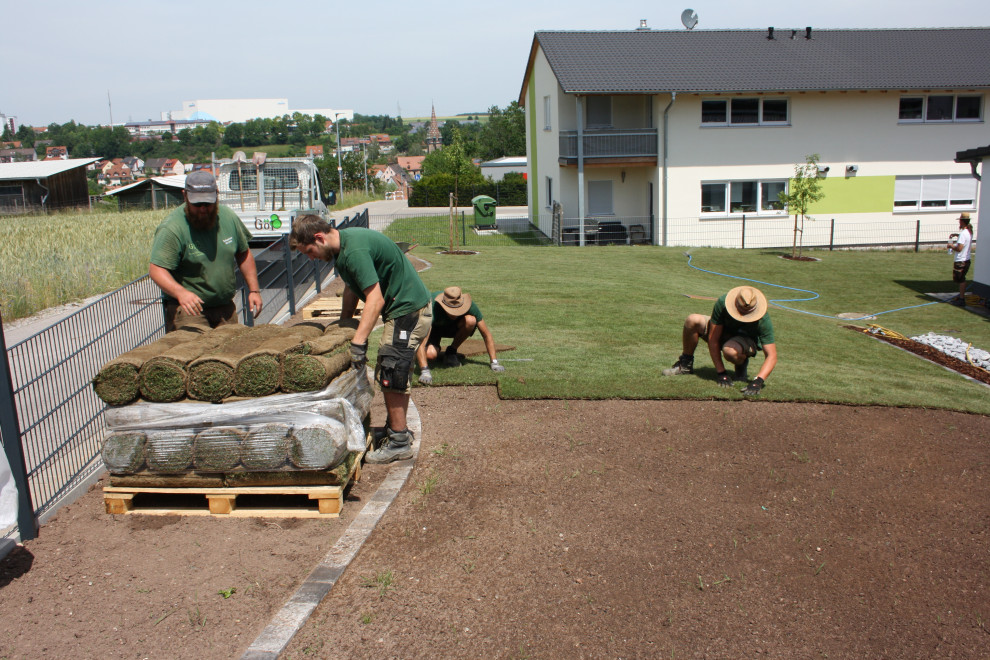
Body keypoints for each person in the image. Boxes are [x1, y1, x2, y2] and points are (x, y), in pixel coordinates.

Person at [289, 214, 432, 464]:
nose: (310, 258)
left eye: (308, 251)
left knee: (392, 370)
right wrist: (344, 323)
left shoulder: (353, 251)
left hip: (408, 310)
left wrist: (358, 342)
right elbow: (353, 287)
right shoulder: (343, 248)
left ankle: (399, 442)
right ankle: (396, 430)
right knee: (392, 368)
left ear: (319, 238)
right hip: (403, 309)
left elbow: (375, 299)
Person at [149, 170, 262, 332]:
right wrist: (181, 293)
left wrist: (254, 290)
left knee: (230, 351)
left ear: (217, 195)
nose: (203, 209)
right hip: (190, 311)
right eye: (197, 204)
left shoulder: (228, 217)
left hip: (225, 309)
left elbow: (243, 253)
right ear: (185, 196)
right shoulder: (172, 228)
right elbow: (157, 269)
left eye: (208, 203)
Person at [662, 285, 777, 397]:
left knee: (729, 350)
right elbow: (713, 339)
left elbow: (771, 355)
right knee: (692, 320)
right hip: (724, 332)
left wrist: (759, 381)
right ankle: (685, 364)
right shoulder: (723, 303)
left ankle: (741, 364)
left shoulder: (763, 319)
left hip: (744, 340)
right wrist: (721, 373)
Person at [415, 286, 505, 385]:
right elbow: (421, 341)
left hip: (454, 328)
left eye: (457, 310)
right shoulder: (431, 307)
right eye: (451, 310)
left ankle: (451, 352)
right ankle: (437, 352)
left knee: (471, 320)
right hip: (433, 329)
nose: (454, 314)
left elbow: (486, 335)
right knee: (431, 355)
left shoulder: (470, 306)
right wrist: (425, 371)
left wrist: (494, 363)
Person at [947, 212, 974, 307]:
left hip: (961, 261)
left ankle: (962, 299)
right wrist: (957, 235)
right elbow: (964, 239)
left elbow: (959, 248)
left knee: (960, 279)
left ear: (962, 221)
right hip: (966, 259)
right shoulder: (969, 232)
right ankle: (961, 297)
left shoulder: (963, 234)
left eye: (959, 221)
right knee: (960, 279)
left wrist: (951, 246)